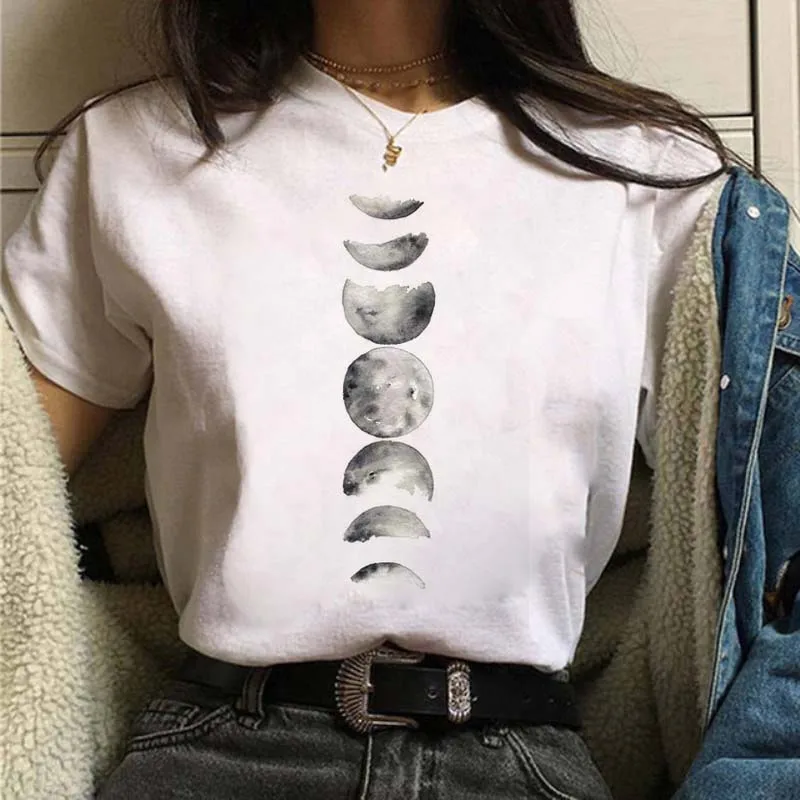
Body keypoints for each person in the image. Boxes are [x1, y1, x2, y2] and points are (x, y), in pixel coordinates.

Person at [0, 1, 774, 798]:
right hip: (221, 753)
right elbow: (15, 489)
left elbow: (765, 535)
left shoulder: (651, 175)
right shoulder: (133, 150)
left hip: (520, 760)